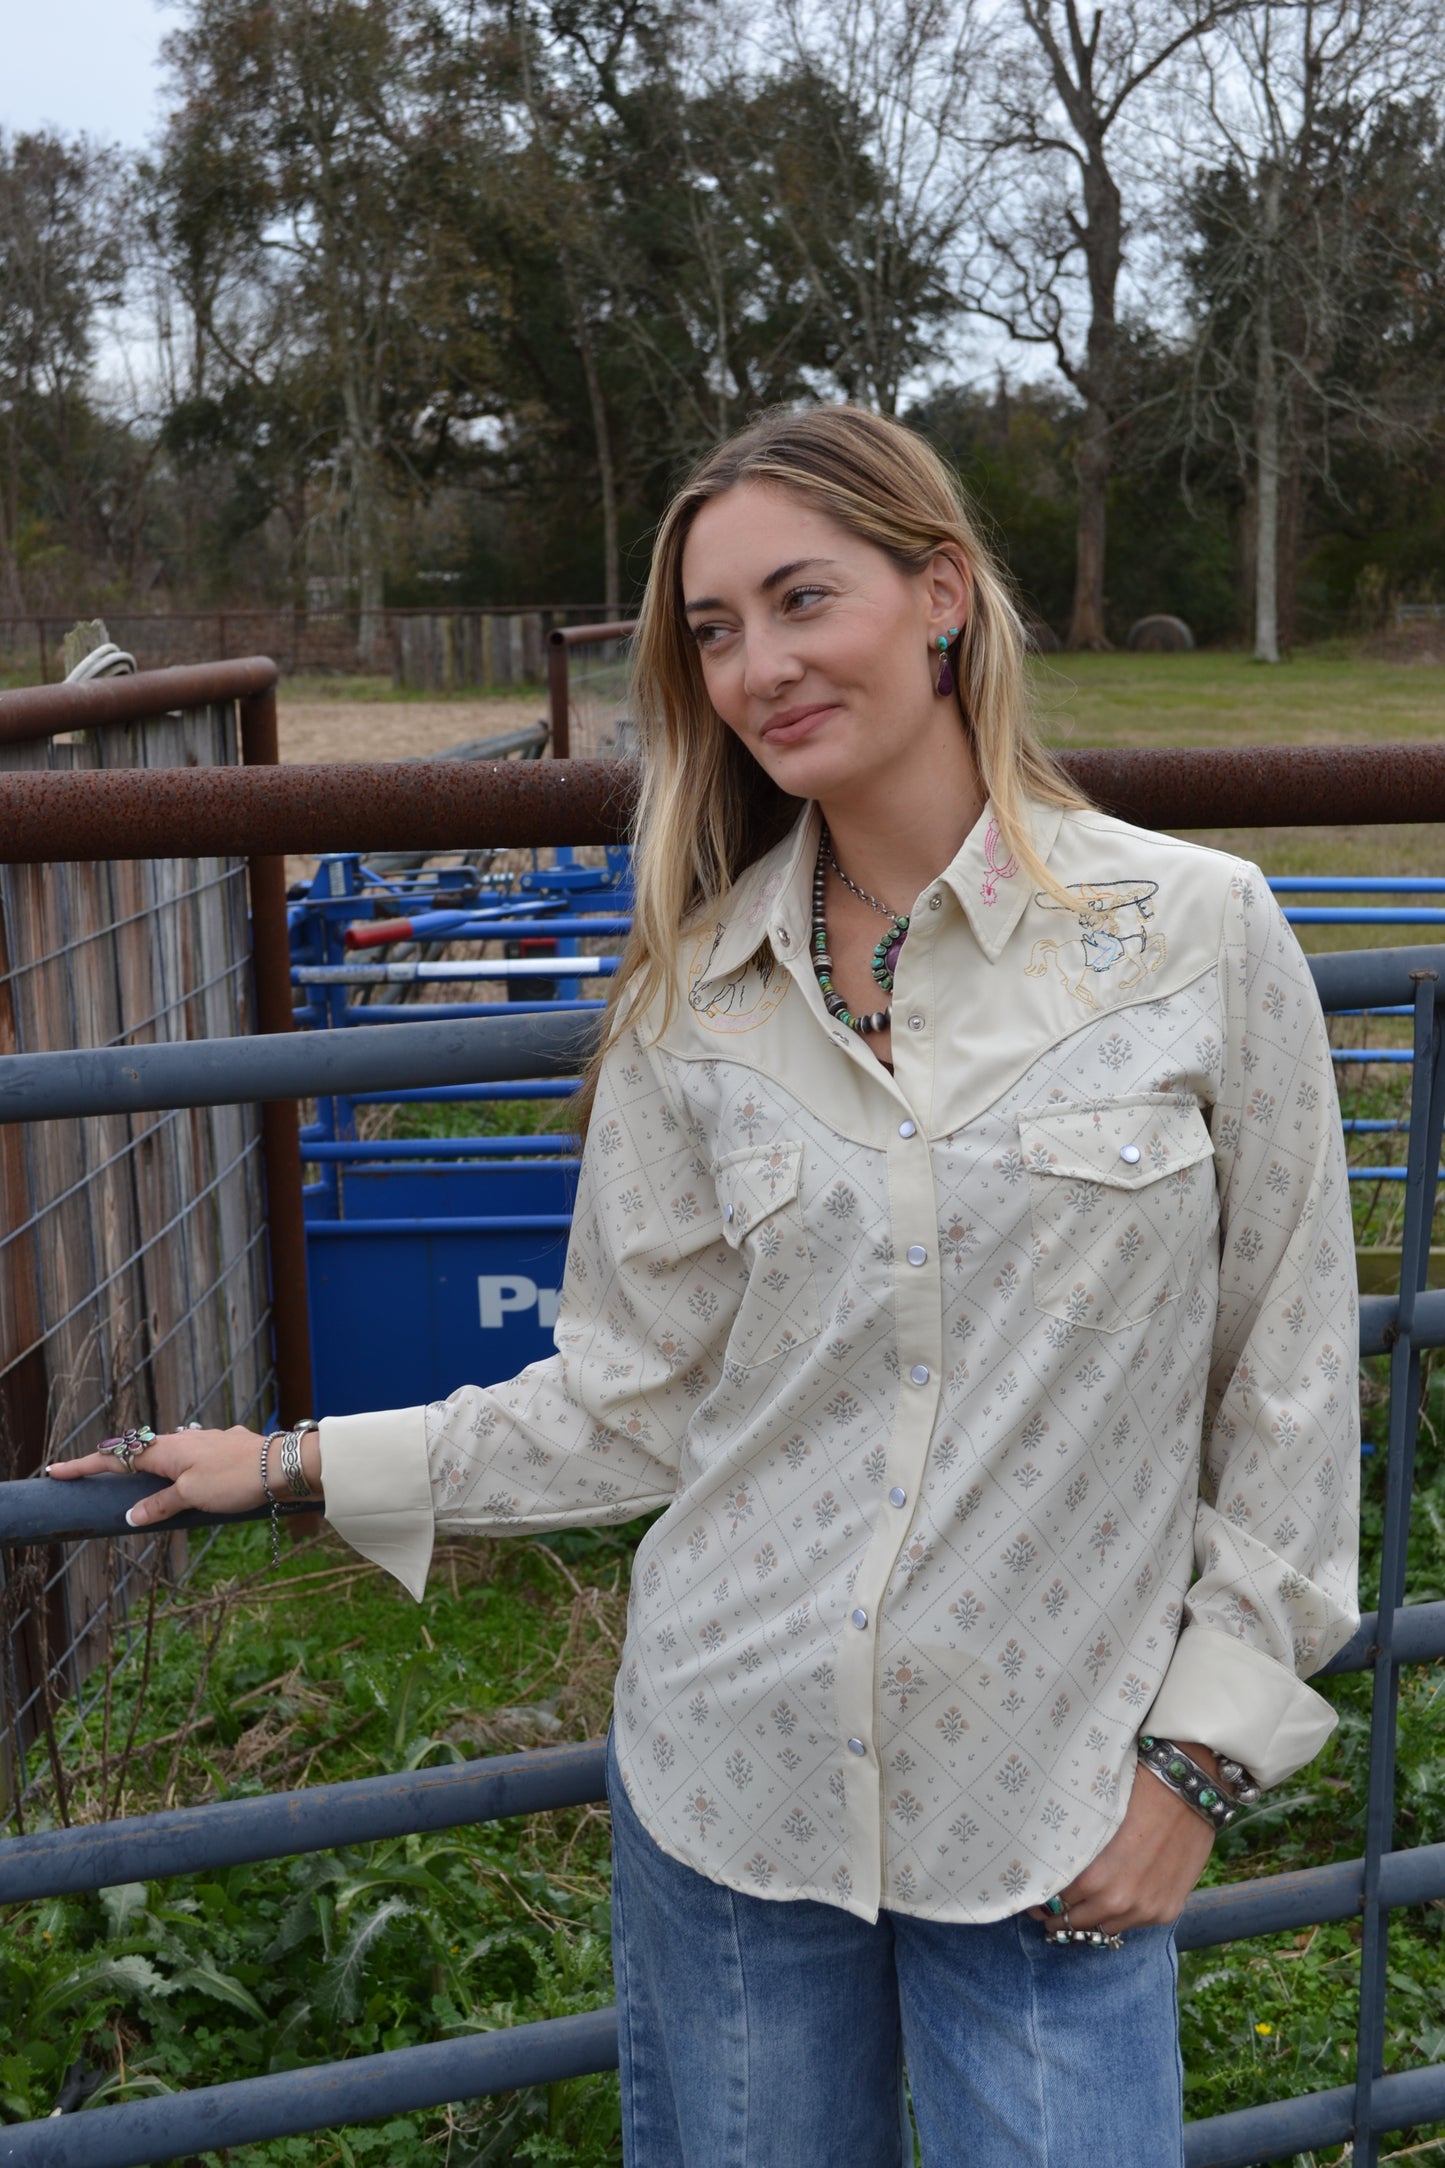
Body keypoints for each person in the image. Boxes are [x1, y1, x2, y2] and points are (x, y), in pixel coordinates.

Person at [51, 406, 1360, 2167]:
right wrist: (290, 1463)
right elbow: (630, 1396)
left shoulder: (1195, 936)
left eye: (802, 600)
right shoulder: (694, 998)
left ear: (941, 596)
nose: (759, 667)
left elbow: (1288, 1377)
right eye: (715, 632)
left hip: (1054, 1794)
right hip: (734, 1787)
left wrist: (1199, 1763)